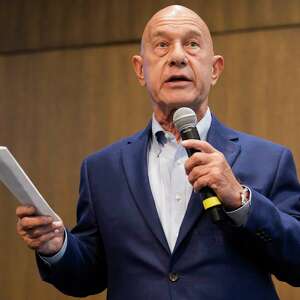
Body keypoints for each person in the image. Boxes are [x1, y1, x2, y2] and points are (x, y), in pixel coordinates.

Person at [16, 5, 300, 300]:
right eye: (162, 45)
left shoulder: (270, 160)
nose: (177, 57)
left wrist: (241, 201)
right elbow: (88, 275)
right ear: (140, 70)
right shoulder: (102, 169)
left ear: (214, 69)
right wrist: (57, 246)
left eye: (192, 44)